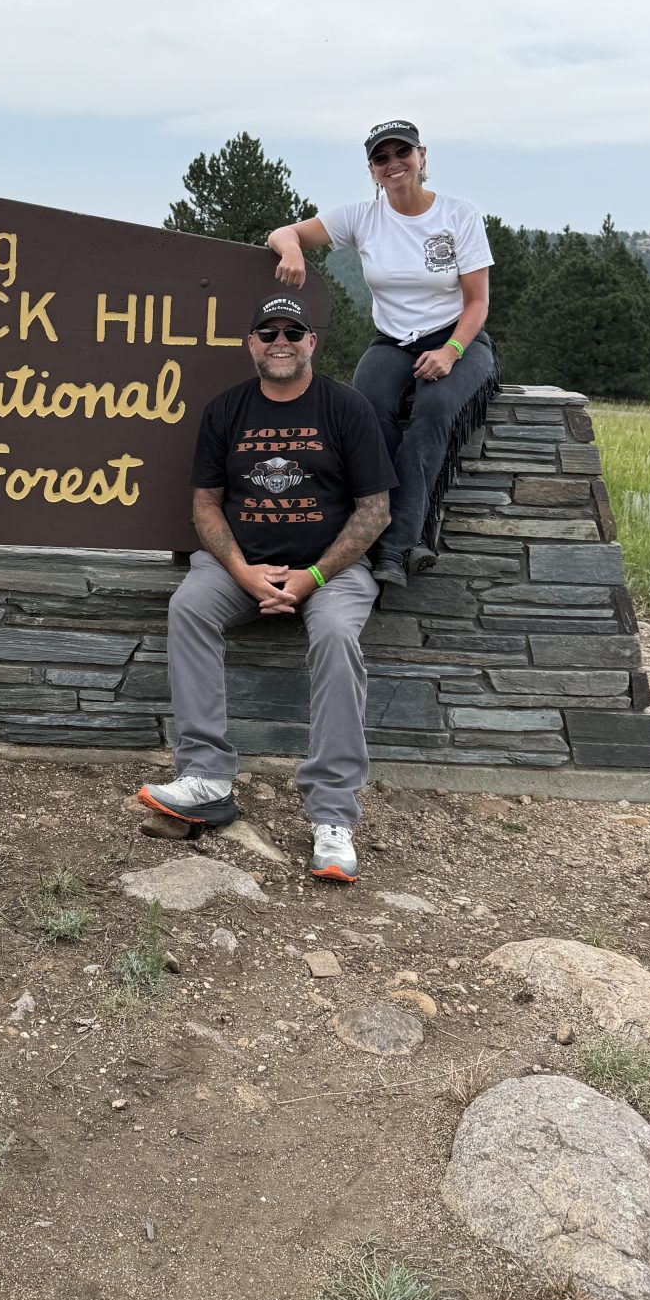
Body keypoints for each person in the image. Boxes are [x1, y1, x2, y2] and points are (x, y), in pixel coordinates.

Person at [139, 292, 395, 883]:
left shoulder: (347, 409)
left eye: (292, 331)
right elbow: (205, 505)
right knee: (189, 608)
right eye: (267, 332)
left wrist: (312, 578)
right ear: (250, 343)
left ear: (311, 342)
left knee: (334, 634)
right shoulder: (226, 410)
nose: (280, 341)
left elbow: (374, 510)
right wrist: (243, 572)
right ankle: (204, 776)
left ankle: (333, 817)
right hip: (240, 566)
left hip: (331, 569)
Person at [267, 119, 498, 587]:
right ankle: (365, 530)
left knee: (432, 411)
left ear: (422, 156)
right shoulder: (361, 217)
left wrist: (452, 351)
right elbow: (284, 232)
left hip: (458, 336)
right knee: (366, 411)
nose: (394, 164)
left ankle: (395, 549)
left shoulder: (459, 215)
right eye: (381, 158)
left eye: (402, 153)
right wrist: (291, 252)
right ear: (371, 170)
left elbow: (478, 302)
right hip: (394, 340)